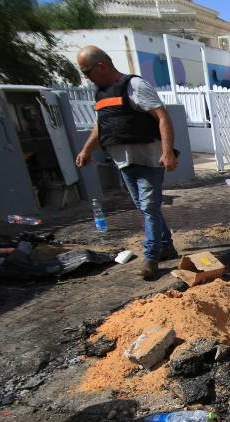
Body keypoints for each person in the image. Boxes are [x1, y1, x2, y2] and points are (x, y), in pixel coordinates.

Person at [74, 45, 179, 281]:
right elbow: (101, 125)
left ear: (101, 66)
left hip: (149, 160)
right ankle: (167, 246)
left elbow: (162, 116)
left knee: (149, 207)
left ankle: (151, 258)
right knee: (146, 207)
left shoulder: (135, 86)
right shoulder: (101, 95)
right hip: (123, 162)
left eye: (87, 71)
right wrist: (86, 150)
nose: (86, 77)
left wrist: (167, 151)